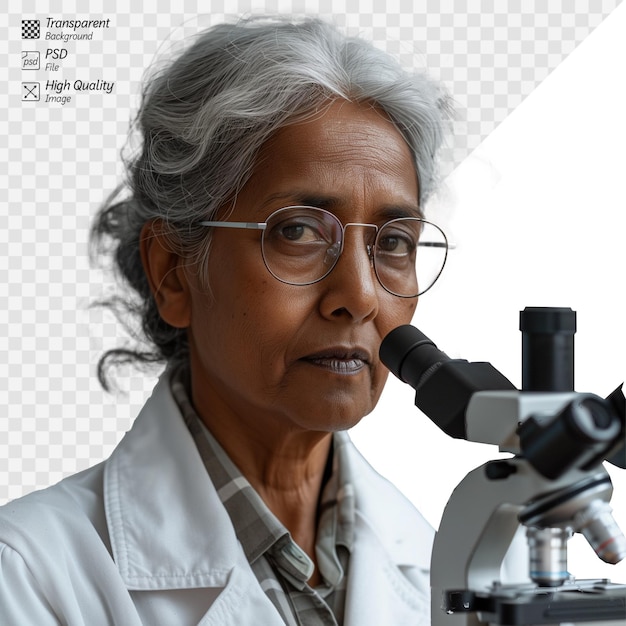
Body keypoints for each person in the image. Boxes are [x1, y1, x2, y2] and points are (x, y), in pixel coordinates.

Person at [0, 16, 452, 625]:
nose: (359, 296)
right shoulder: (30, 577)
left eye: (393, 241)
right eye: (297, 232)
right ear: (174, 273)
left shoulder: (448, 568)